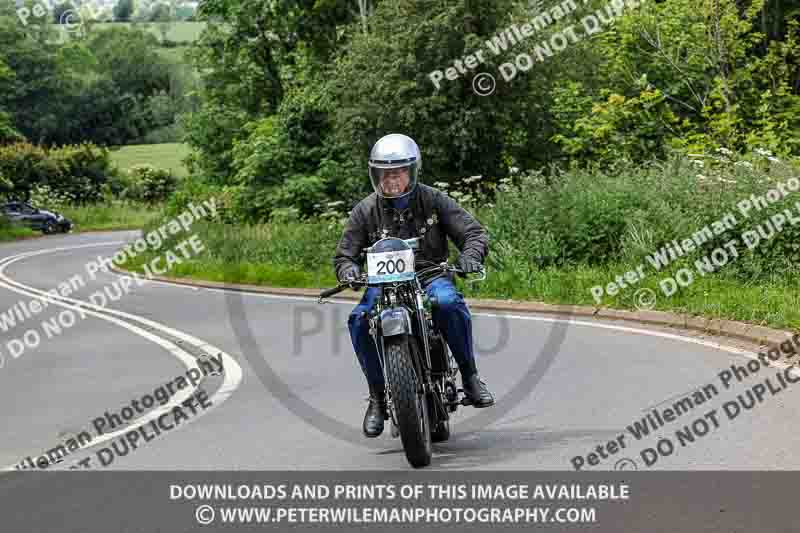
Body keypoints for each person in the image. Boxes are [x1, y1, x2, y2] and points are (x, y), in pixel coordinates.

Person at [333, 133, 495, 438]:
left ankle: (471, 377)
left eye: (398, 173)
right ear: (374, 174)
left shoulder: (434, 200)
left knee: (448, 304)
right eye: (384, 174)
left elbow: (473, 233)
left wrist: (471, 257)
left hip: (430, 276)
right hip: (382, 286)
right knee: (358, 319)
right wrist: (349, 271)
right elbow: (344, 255)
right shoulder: (365, 210)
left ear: (412, 171)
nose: (391, 180)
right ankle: (378, 398)